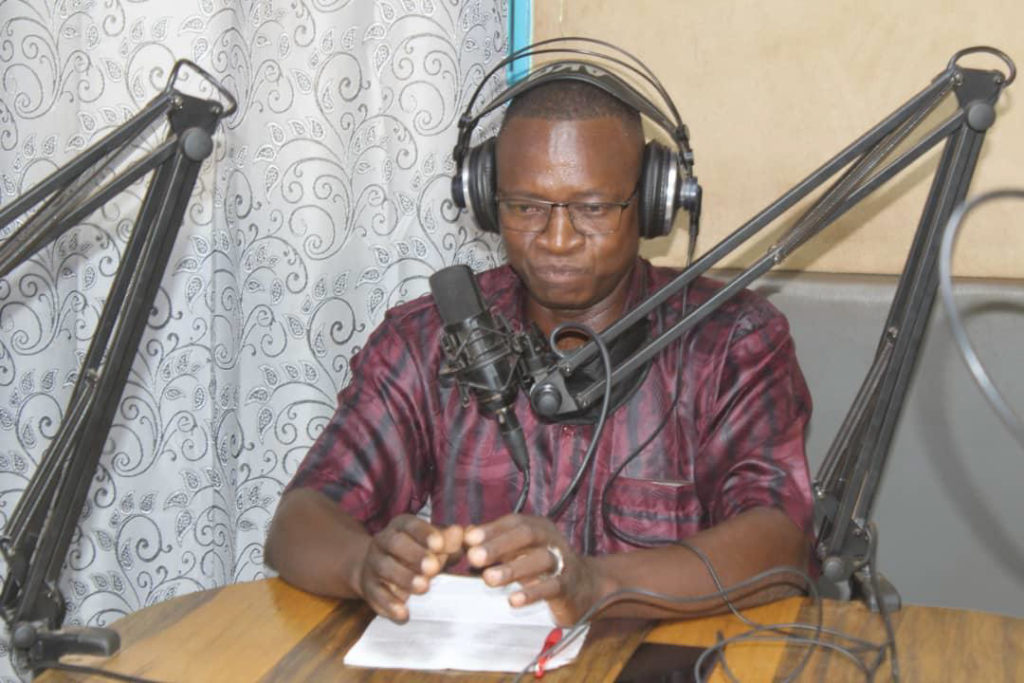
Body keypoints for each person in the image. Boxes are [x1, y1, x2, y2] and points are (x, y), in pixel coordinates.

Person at [265, 79, 814, 628]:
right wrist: (364, 564)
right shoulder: (427, 338)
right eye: (526, 206)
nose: (556, 238)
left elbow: (779, 542)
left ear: (652, 204)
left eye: (594, 208)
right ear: (485, 200)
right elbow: (301, 520)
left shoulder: (730, 339)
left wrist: (597, 584)